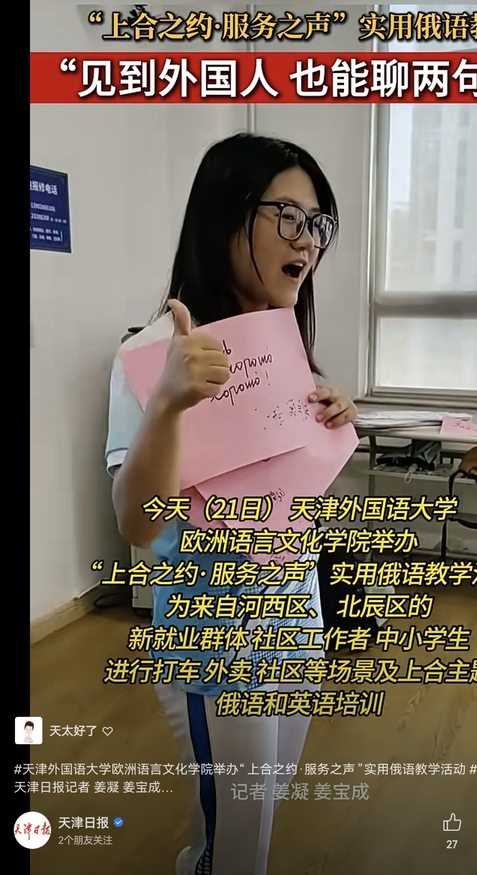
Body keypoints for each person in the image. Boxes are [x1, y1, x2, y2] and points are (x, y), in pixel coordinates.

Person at [105, 133, 357, 875]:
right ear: (226, 215)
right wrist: (167, 405)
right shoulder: (156, 353)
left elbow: (282, 498)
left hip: (295, 619)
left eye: (317, 223)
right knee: (238, 838)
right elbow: (137, 522)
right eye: (288, 216)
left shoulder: (280, 345)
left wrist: (330, 421)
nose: (307, 240)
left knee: (259, 812)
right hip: (217, 640)